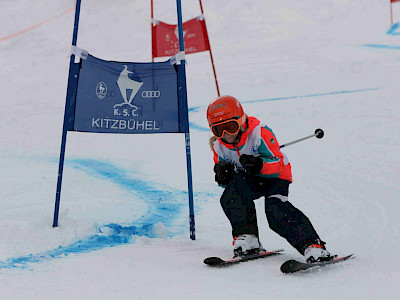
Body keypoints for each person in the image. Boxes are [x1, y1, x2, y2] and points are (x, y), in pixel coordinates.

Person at [207, 95, 331, 263]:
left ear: (241, 120)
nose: (226, 134)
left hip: (276, 177)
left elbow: (278, 163)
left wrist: (260, 165)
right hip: (251, 179)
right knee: (231, 196)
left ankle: (313, 246)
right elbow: (228, 184)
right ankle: (248, 239)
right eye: (218, 130)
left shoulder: (259, 133)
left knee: (275, 210)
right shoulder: (219, 147)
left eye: (230, 127)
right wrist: (223, 177)